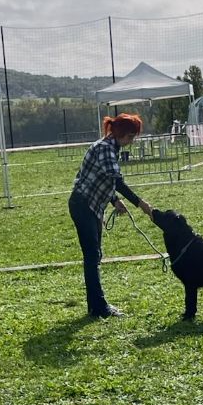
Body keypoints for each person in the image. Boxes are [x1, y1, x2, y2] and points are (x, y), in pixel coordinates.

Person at [68, 113, 153, 319]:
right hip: (83, 205)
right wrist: (140, 203)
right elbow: (117, 181)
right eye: (131, 137)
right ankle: (99, 308)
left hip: (91, 205)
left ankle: (95, 306)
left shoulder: (108, 146)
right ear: (122, 134)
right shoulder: (106, 149)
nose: (132, 141)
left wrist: (114, 200)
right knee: (92, 257)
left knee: (95, 255)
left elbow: (101, 178)